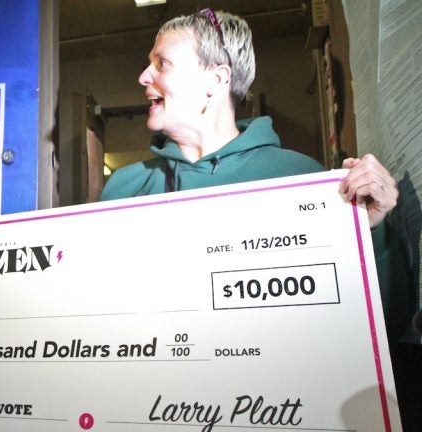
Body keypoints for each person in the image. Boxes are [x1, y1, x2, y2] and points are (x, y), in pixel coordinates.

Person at [99, 8, 417, 428]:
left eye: (162, 63)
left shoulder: (303, 180)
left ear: (215, 80)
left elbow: (381, 327)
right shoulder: (123, 187)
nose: (143, 76)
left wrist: (369, 230)